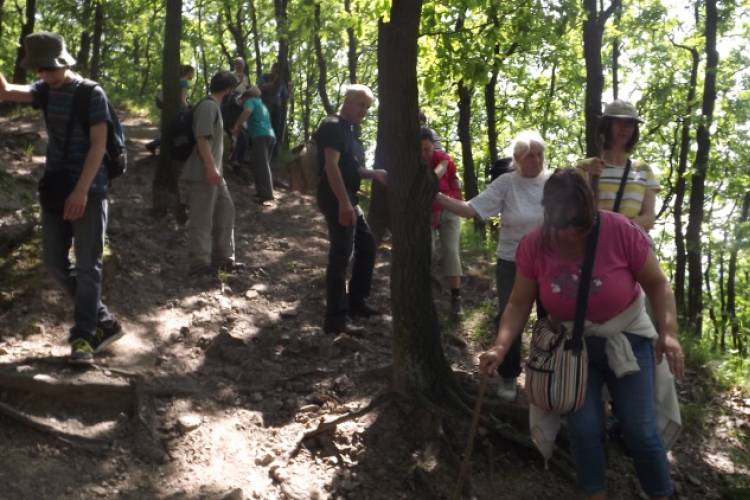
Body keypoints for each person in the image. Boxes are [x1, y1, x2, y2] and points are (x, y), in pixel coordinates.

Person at [479, 168, 684, 500]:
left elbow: (658, 284)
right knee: (584, 430)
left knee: (640, 431)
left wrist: (669, 332)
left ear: (591, 204)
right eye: (562, 224)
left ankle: (661, 493)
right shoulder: (535, 245)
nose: (572, 232)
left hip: (627, 337)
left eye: (581, 222)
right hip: (572, 349)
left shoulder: (620, 231)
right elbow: (518, 303)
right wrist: (500, 348)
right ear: (547, 213)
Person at [0, 32, 124, 364]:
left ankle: (84, 337)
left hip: (90, 190)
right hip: (55, 189)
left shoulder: (91, 93)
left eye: (48, 69)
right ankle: (103, 319)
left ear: (63, 62)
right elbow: (6, 91)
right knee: (54, 261)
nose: (44, 77)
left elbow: (99, 145)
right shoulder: (44, 89)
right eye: (39, 71)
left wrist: (82, 191)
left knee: (88, 267)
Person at [435, 130, 550, 402]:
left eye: (540, 154)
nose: (536, 160)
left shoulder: (554, 182)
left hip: (550, 262)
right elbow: (471, 209)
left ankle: (548, 375)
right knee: (508, 317)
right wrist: (436, 196)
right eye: (530, 155)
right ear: (517, 158)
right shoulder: (506, 183)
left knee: (551, 320)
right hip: (513, 261)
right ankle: (509, 377)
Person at [314, 84, 387, 335]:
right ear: (346, 100)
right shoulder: (333, 126)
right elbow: (331, 167)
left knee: (367, 246)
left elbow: (349, 169)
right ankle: (335, 319)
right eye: (360, 104)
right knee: (341, 257)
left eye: (367, 106)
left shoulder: (348, 131)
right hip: (337, 198)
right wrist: (344, 202)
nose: (363, 110)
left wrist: (374, 173)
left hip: (348, 198)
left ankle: (356, 301)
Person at [179, 71, 244, 277]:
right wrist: (211, 167)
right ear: (227, 90)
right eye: (232, 90)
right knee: (202, 218)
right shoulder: (208, 106)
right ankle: (199, 263)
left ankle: (223, 259)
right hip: (203, 172)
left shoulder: (214, 107)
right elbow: (202, 139)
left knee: (226, 211)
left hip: (215, 174)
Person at [578, 100, 659, 231]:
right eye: (618, 122)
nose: (625, 128)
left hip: (631, 245)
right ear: (606, 125)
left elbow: (649, 219)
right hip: (596, 244)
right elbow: (575, 212)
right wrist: (590, 180)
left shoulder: (643, 170)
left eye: (630, 124)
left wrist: (617, 230)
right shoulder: (585, 167)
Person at [421, 128, 464, 319]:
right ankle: (424, 296)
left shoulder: (443, 158)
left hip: (448, 211)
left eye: (428, 149)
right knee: (426, 252)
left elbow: (436, 175)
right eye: (420, 150)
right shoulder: (410, 161)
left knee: (451, 252)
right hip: (425, 213)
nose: (425, 154)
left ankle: (456, 300)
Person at [233, 87, 276, 205]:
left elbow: (247, 111)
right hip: (270, 136)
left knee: (261, 165)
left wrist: (237, 124)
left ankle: (267, 194)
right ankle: (261, 191)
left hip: (260, 135)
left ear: (245, 97)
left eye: (242, 101)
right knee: (256, 164)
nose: (242, 103)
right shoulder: (262, 105)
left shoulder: (251, 101)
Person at [146, 64, 195, 155]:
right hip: (178, 110)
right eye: (193, 73)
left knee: (168, 130)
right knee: (178, 132)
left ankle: (155, 145)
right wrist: (189, 110)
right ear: (189, 72)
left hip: (166, 108)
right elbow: (182, 99)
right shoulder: (184, 83)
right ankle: (173, 152)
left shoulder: (175, 81)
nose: (193, 75)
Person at [258, 62, 289, 157]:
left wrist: (289, 93)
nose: (277, 73)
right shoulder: (265, 77)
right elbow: (261, 87)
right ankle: (262, 151)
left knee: (276, 128)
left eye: (279, 72)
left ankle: (273, 153)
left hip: (277, 108)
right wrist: (273, 83)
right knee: (265, 128)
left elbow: (284, 96)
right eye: (276, 71)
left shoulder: (282, 82)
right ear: (272, 69)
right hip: (265, 106)